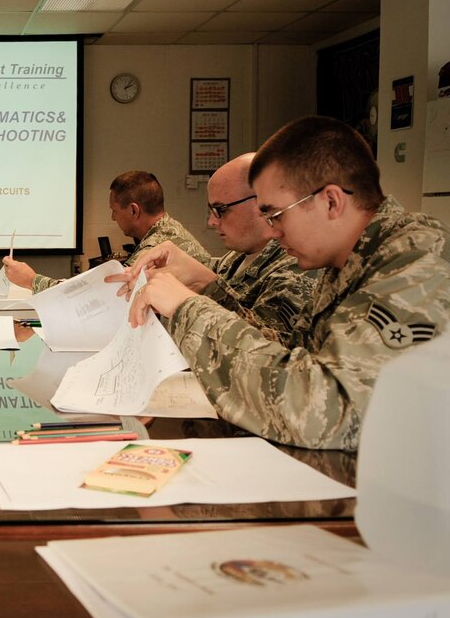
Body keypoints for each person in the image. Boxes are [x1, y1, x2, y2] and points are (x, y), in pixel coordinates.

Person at [126, 116, 450, 450]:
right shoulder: (349, 261)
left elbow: (327, 412)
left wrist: (187, 308)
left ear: (331, 201)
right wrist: (202, 290)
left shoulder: (417, 263)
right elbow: (288, 354)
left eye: (276, 214)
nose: (272, 230)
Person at [112, 153, 317, 338]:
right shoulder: (236, 257)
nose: (211, 221)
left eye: (220, 209)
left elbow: (268, 353)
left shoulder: (296, 267)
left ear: (261, 202)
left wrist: (195, 294)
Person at [3, 170, 210, 292]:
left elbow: (104, 297)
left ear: (133, 210)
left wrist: (32, 281)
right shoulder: (167, 231)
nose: (112, 218)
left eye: (114, 211)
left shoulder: (157, 246)